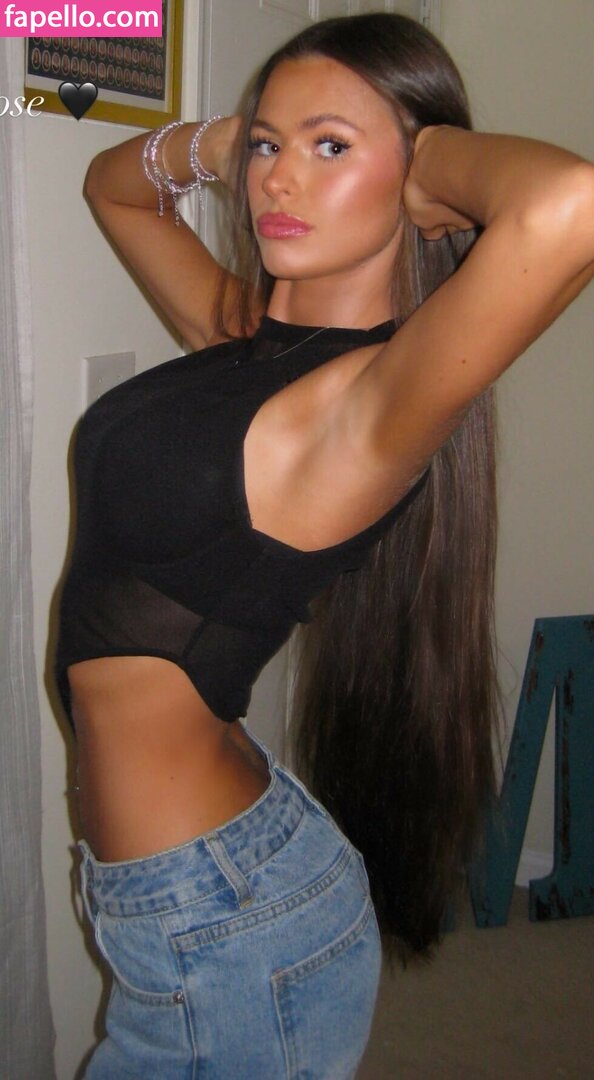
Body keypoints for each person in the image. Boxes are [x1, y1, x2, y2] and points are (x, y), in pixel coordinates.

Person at [56, 12, 594, 1078]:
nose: (279, 179)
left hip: (223, 926)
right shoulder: (243, 338)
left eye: (331, 146)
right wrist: (224, 141)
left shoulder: (366, 405)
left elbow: (568, 207)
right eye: (271, 146)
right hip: (209, 881)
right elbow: (112, 186)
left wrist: (427, 162)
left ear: (417, 180)